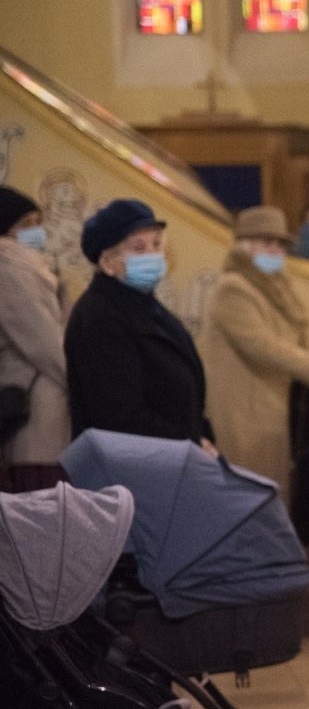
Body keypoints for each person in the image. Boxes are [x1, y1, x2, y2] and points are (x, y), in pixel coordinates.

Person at [200, 206, 309, 493]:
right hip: (242, 411)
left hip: (270, 407)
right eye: (266, 242)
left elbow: (304, 330)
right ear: (244, 246)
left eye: (280, 244)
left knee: (271, 494)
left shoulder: (279, 286)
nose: (275, 250)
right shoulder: (234, 288)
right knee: (247, 494)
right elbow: (262, 346)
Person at [65, 199, 215, 449]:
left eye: (156, 245)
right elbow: (119, 414)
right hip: (131, 467)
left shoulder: (144, 304)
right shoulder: (100, 316)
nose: (153, 256)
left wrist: (201, 435)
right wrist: (189, 444)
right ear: (108, 263)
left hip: (170, 457)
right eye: (138, 248)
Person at [0, 186, 71, 493]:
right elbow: (45, 345)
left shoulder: (35, 268)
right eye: (25, 225)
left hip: (49, 405)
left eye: (37, 222)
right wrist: (83, 382)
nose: (35, 232)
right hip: (36, 414)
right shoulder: (10, 268)